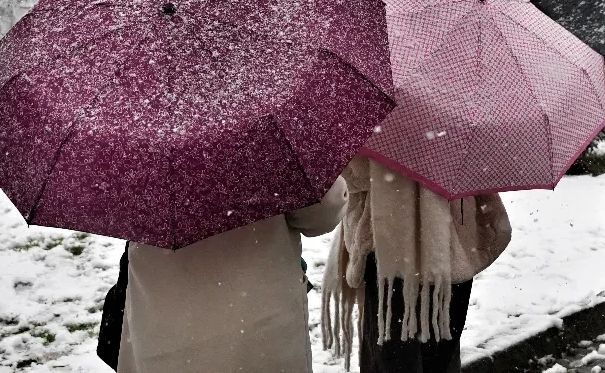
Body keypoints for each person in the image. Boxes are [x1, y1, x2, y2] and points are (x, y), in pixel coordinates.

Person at [116, 178, 348, 373]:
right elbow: (324, 207)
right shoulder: (263, 136)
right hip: (257, 317)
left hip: (162, 319)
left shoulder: (132, 143)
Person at [321, 155, 512, 373]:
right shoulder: (460, 126)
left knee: (396, 352)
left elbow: (352, 176)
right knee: (439, 347)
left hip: (393, 253)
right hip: (449, 248)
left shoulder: (376, 127)